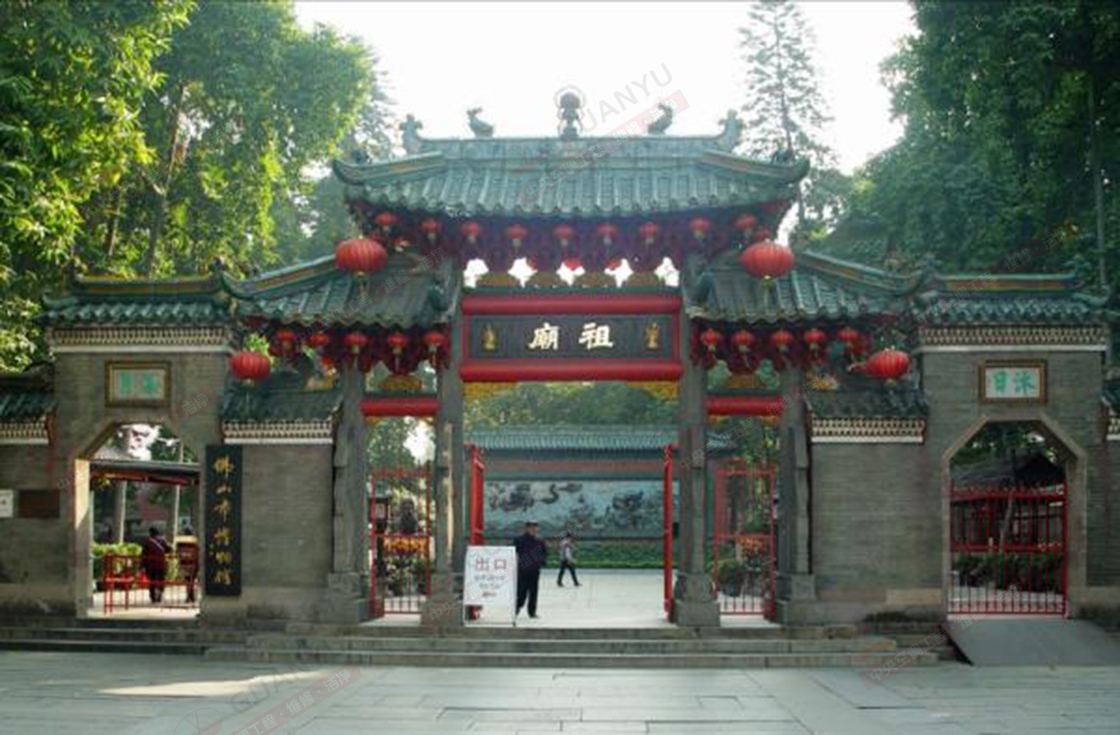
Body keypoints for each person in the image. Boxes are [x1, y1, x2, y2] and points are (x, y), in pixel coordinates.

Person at [513, 520, 547, 619]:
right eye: (532, 527)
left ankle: (532, 612)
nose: (534, 529)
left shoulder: (540, 541)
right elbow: (513, 553)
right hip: (522, 570)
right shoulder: (519, 540)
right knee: (521, 591)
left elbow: (544, 553)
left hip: (534, 571)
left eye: (535, 527)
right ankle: (517, 607)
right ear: (527, 528)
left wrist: (540, 563)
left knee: (533, 592)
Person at [140, 526, 172, 603]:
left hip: (150, 566)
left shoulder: (147, 542)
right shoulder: (162, 540)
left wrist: (142, 566)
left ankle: (153, 597)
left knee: (152, 581)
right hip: (161, 565)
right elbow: (169, 549)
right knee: (161, 580)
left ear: (150, 533)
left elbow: (143, 555)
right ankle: (160, 595)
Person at [176, 526, 199, 604]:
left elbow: (178, 550)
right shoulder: (194, 540)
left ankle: (190, 596)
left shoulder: (182, 541)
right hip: (193, 564)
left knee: (188, 581)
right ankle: (191, 596)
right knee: (191, 581)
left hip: (185, 563)